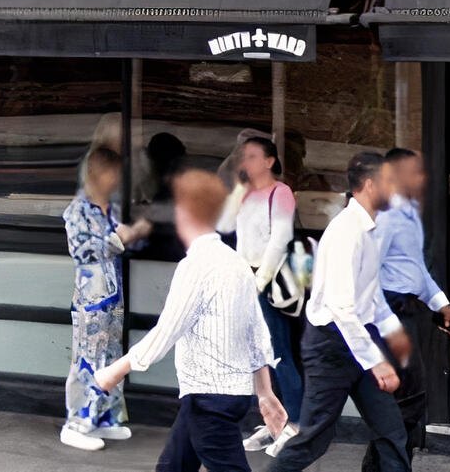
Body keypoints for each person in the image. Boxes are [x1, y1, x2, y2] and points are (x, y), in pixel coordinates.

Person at [94, 169, 289, 471]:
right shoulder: (234, 261)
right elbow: (257, 333)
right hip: (220, 396)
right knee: (173, 466)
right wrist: (264, 392)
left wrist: (114, 371)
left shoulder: (195, 266)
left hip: (209, 400)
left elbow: (167, 331)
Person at [269, 152, 411, 472]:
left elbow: (369, 295)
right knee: (314, 440)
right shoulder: (347, 231)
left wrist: (390, 331)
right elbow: (342, 308)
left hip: (360, 339)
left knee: (391, 433)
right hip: (331, 346)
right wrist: (376, 361)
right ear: (372, 185)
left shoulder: (371, 228)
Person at [364, 148, 450, 471]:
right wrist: (388, 325)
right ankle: (388, 465)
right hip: (393, 312)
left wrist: (440, 303)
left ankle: (382, 465)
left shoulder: (408, 213)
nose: (422, 178)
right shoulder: (386, 217)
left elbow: (414, 267)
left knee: (410, 398)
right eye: (413, 171)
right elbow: (368, 274)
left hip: (412, 312)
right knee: (406, 398)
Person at [214, 136, 304, 450]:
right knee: (258, 357)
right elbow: (223, 224)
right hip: (245, 279)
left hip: (267, 282)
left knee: (278, 353)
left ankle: (294, 422)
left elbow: (281, 238)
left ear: (269, 161)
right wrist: (238, 188)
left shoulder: (281, 192)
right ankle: (274, 422)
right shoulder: (247, 193)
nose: (245, 161)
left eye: (252, 156)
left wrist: (259, 282)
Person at [61, 147, 153, 450]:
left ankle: (105, 419)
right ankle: (76, 422)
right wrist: (127, 235)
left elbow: (128, 242)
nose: (116, 180)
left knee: (111, 354)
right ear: (96, 174)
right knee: (87, 356)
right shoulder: (77, 210)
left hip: (113, 295)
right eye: (112, 173)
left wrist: (136, 233)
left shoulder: (110, 209)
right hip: (91, 295)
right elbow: (91, 250)